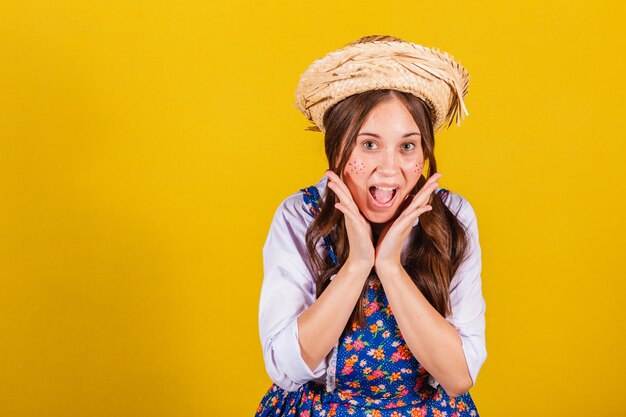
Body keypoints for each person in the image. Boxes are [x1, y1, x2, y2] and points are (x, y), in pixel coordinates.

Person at [255, 35, 487, 417]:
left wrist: (390, 268)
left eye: (408, 146)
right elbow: (284, 367)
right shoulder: (301, 216)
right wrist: (357, 264)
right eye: (369, 144)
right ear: (337, 146)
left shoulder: (453, 219)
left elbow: (458, 376)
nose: (390, 168)